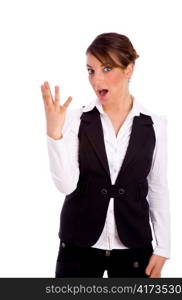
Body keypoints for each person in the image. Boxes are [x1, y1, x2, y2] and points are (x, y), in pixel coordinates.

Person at [40, 32, 170, 278]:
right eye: (91, 70)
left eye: (107, 68)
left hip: (134, 248)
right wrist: (54, 134)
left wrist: (163, 247)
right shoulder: (75, 119)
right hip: (78, 247)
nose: (96, 79)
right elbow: (66, 185)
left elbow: (157, 187)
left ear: (129, 69)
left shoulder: (155, 125)